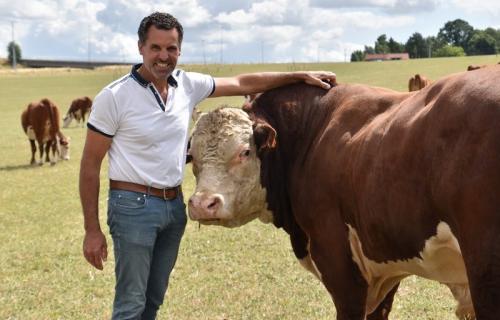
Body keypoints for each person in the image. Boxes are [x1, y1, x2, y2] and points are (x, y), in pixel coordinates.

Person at [80, 11, 337, 320]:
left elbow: (242, 82)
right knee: (130, 303)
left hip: (173, 206)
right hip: (133, 206)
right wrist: (91, 230)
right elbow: (90, 165)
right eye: (156, 48)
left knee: (152, 299)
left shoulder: (186, 85)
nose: (164, 56)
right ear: (141, 48)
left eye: (171, 48)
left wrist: (298, 75)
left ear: (179, 50)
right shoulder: (115, 97)